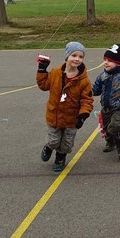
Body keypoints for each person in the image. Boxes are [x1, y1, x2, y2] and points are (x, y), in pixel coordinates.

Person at [36, 41, 94, 173]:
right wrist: (42, 70)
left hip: (72, 118)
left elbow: (87, 100)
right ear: (67, 56)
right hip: (54, 116)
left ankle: (60, 158)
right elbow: (43, 85)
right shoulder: (55, 73)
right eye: (74, 55)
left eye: (80, 57)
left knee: (67, 143)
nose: (77, 59)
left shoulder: (83, 81)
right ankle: (49, 147)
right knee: (54, 141)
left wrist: (83, 115)